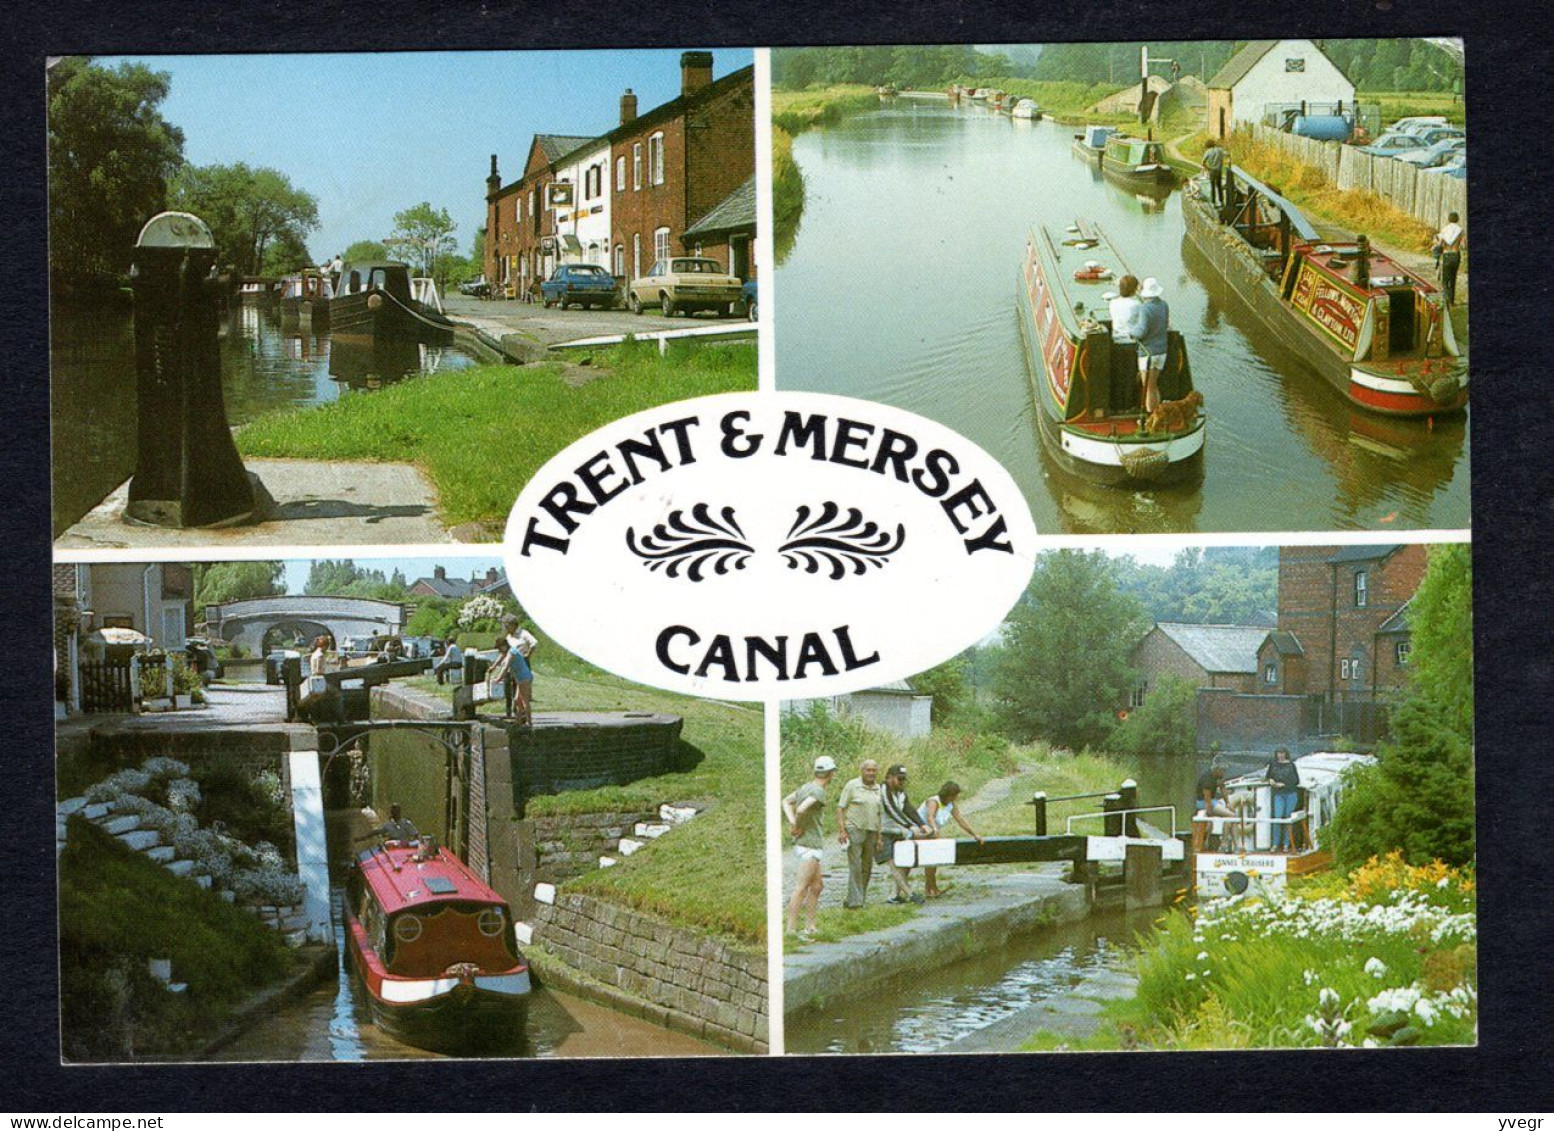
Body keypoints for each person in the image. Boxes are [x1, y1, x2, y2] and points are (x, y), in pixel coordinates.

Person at [783, 755, 837, 937]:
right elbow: (800, 809)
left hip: (808, 844)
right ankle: (791, 929)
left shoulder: (805, 787)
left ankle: (811, 925)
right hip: (810, 844)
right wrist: (796, 825)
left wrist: (793, 823)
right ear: (831, 773)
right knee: (801, 887)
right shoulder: (818, 792)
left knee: (817, 886)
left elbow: (786, 801)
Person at [918, 782, 984, 898]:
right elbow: (930, 817)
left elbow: (960, 819)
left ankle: (929, 889)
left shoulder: (951, 804)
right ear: (947, 794)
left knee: (933, 859)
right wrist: (934, 829)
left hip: (932, 833)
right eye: (953, 795)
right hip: (920, 831)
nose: (955, 798)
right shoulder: (933, 801)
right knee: (931, 859)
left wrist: (974, 834)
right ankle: (932, 888)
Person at [878, 765, 931, 904]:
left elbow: (909, 809)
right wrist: (910, 826)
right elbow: (891, 810)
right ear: (889, 777)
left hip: (898, 831)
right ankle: (911, 894)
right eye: (899, 778)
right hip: (882, 832)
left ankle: (894, 895)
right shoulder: (882, 789)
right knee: (894, 864)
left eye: (903, 779)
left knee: (905, 862)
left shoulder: (901, 793)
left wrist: (922, 824)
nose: (901, 782)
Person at [835, 759, 882, 909]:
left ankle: (857, 898)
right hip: (854, 828)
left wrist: (880, 836)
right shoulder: (852, 785)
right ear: (862, 771)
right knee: (856, 865)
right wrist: (842, 830)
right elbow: (840, 808)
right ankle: (856, 902)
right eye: (868, 770)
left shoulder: (878, 788)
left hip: (872, 831)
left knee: (867, 866)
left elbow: (880, 814)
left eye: (873, 770)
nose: (870, 773)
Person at [1128, 278, 1171, 417]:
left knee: (1148, 388)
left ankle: (1150, 417)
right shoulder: (1164, 305)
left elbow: (1141, 332)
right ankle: (1157, 414)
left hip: (1148, 354)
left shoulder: (1145, 309)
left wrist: (1131, 331)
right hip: (1161, 352)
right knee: (1153, 385)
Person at [501, 615, 538, 724]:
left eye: (507, 625)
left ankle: (524, 719)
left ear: (513, 625)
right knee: (511, 691)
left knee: (522, 695)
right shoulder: (508, 637)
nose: (505, 628)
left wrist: (528, 655)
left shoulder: (523, 633)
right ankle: (514, 714)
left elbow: (534, 643)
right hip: (512, 665)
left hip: (522, 663)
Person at [1265, 747, 1302, 852]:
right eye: (1278, 753)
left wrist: (1284, 784)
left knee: (1287, 818)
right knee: (1277, 817)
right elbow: (1268, 777)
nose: (1280, 755)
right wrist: (1271, 781)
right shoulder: (1273, 765)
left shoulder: (1291, 765)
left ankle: (1286, 844)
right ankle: (1275, 844)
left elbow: (1296, 781)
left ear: (1286, 754)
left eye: (1282, 753)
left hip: (1290, 794)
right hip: (1278, 794)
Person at [1195, 764, 1235, 849]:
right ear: (1216, 770)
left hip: (1212, 800)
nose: (1224, 773)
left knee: (1229, 815)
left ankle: (1225, 840)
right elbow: (1207, 799)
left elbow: (1223, 789)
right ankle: (1223, 843)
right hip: (1203, 802)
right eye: (1222, 771)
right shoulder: (1207, 780)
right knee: (1231, 816)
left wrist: (1228, 803)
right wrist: (1209, 814)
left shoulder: (1218, 777)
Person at [1434, 212, 1465, 307]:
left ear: (1449, 219)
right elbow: (1463, 246)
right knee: (1453, 279)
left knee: (1445, 280)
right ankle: (1451, 301)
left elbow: (1439, 244)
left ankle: (1445, 299)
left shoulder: (1444, 230)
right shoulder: (1460, 231)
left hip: (1447, 255)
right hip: (1456, 255)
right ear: (1458, 219)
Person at [1109, 275, 1141, 346]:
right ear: (1134, 290)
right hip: (1131, 340)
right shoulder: (1136, 304)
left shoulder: (1112, 302)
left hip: (1116, 338)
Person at [1202, 140, 1229, 206]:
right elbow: (1228, 154)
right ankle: (1221, 201)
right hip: (1219, 170)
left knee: (1212, 187)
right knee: (1219, 186)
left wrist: (1208, 168)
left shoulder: (1207, 152)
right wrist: (1228, 162)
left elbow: (1203, 162)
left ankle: (1213, 203)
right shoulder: (1220, 150)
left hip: (1212, 171)